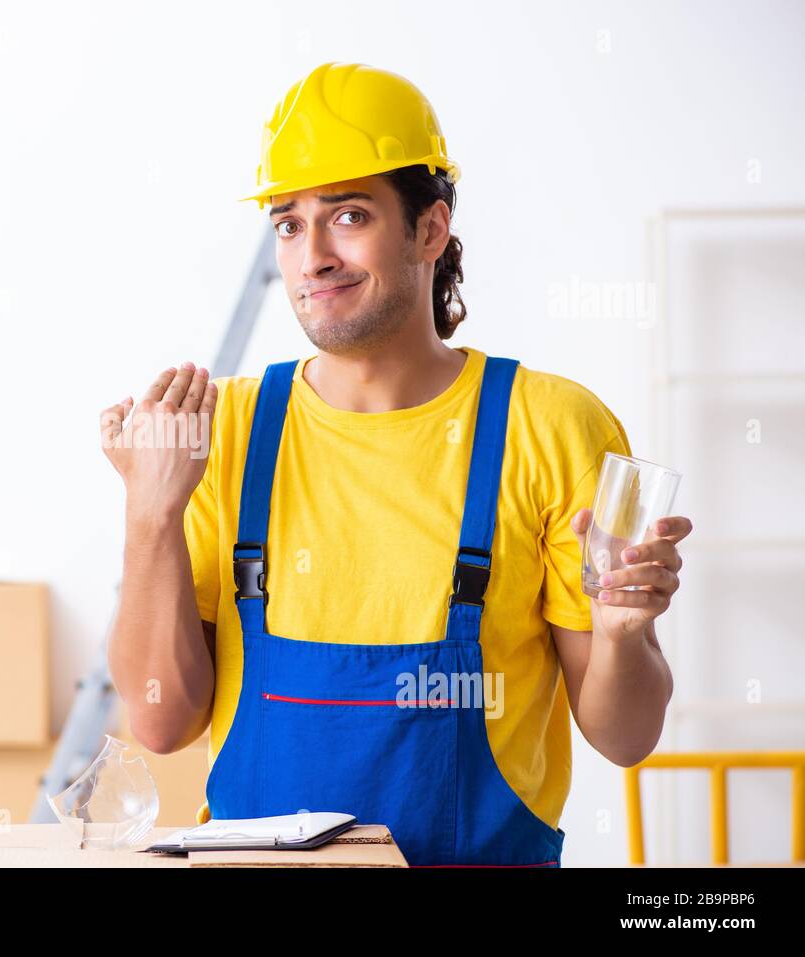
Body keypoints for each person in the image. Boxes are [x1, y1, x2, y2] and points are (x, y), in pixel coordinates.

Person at [99, 62, 692, 866]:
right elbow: (162, 721)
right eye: (287, 223)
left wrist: (625, 637)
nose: (312, 256)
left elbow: (626, 738)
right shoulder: (223, 432)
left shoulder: (553, 428)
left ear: (430, 228)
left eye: (347, 214)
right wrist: (150, 512)